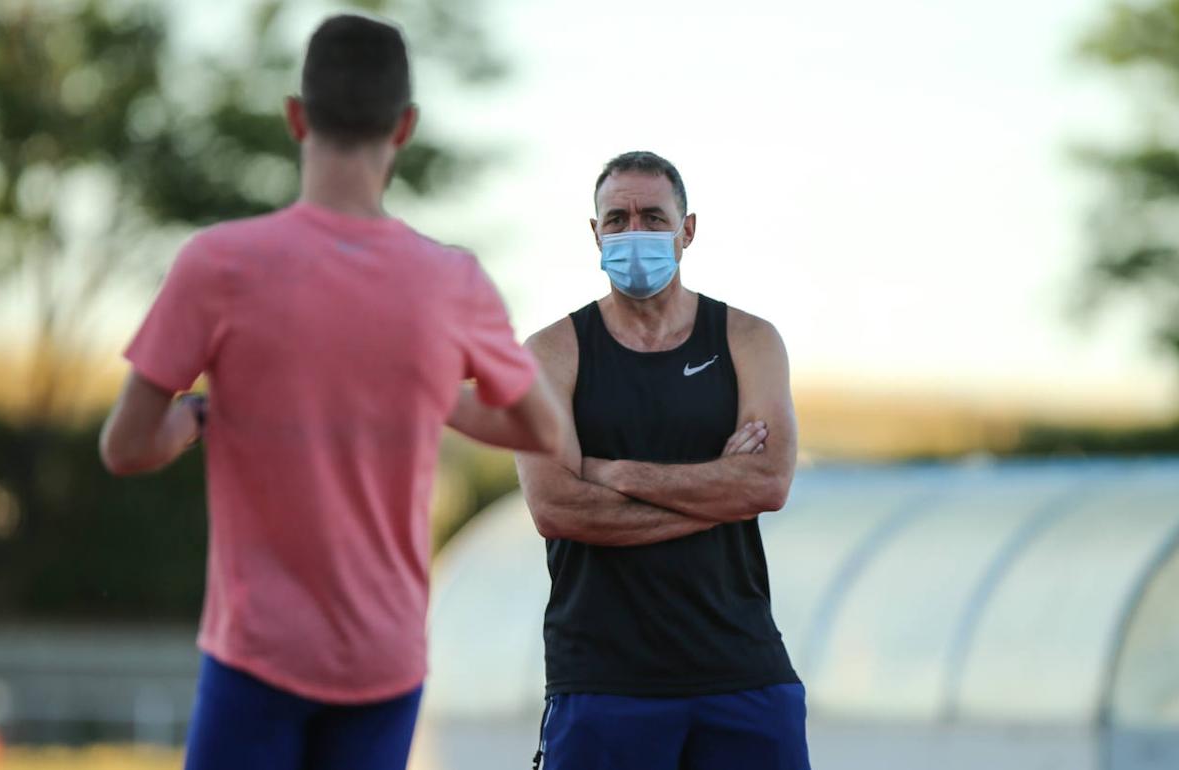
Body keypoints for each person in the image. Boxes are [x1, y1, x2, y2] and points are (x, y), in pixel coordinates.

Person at [98, 15, 562, 770]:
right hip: (386, 661)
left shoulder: (219, 264)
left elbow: (124, 447)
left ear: (296, 115)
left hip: (257, 654)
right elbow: (542, 426)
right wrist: (429, 389)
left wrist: (195, 417)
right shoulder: (452, 280)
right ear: (404, 127)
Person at [516, 151, 810, 770]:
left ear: (688, 230)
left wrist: (616, 473)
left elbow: (767, 482)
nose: (634, 233)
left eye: (653, 216)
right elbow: (556, 507)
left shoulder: (748, 340)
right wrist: (718, 493)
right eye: (617, 220)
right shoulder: (549, 355)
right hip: (601, 679)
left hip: (743, 670)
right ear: (594, 233)